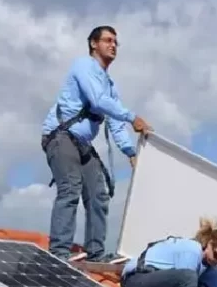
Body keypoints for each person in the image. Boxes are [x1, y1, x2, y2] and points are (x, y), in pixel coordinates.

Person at [41, 25, 152, 263]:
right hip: (61, 136)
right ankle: (59, 253)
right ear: (93, 44)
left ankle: (96, 252)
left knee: (98, 194)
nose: (113, 45)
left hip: (82, 143)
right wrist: (133, 116)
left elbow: (114, 122)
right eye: (108, 40)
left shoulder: (110, 85)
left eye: (115, 42)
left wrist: (130, 151)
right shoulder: (83, 66)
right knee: (70, 188)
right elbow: (98, 101)